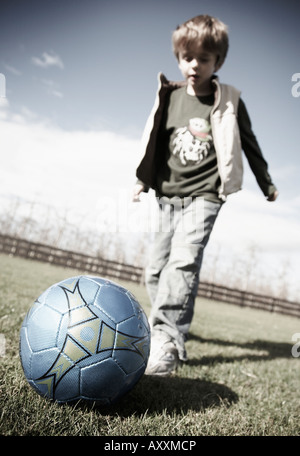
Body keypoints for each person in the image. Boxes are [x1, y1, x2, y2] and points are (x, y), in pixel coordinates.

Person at [133, 14, 278, 376]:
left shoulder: (228, 100)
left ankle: (165, 338)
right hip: (168, 195)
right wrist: (141, 179)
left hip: (206, 195)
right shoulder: (169, 95)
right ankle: (168, 325)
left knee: (184, 260)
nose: (194, 65)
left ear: (219, 62)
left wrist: (267, 182)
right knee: (156, 269)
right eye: (187, 57)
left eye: (204, 58)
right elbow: (153, 141)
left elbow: (250, 143)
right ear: (178, 57)